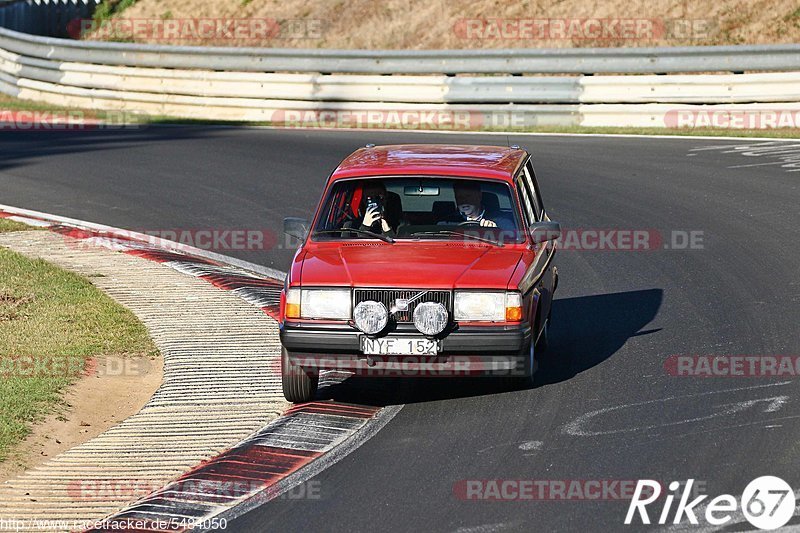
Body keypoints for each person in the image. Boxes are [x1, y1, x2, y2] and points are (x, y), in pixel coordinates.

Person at [446, 181, 514, 231]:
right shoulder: (447, 222)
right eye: (459, 197)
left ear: (479, 196)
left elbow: (513, 240)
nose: (464, 201)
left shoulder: (502, 221)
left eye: (468, 196)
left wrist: (496, 231)